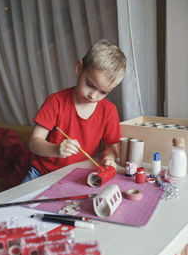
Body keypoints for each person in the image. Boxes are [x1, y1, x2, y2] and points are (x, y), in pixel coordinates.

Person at [22, 39, 126, 183]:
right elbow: (34, 142)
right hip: (42, 174)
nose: (93, 96)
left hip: (77, 175)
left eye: (103, 92)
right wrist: (57, 150)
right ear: (79, 68)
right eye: (89, 84)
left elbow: (111, 146)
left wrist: (109, 159)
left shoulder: (109, 111)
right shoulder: (56, 102)